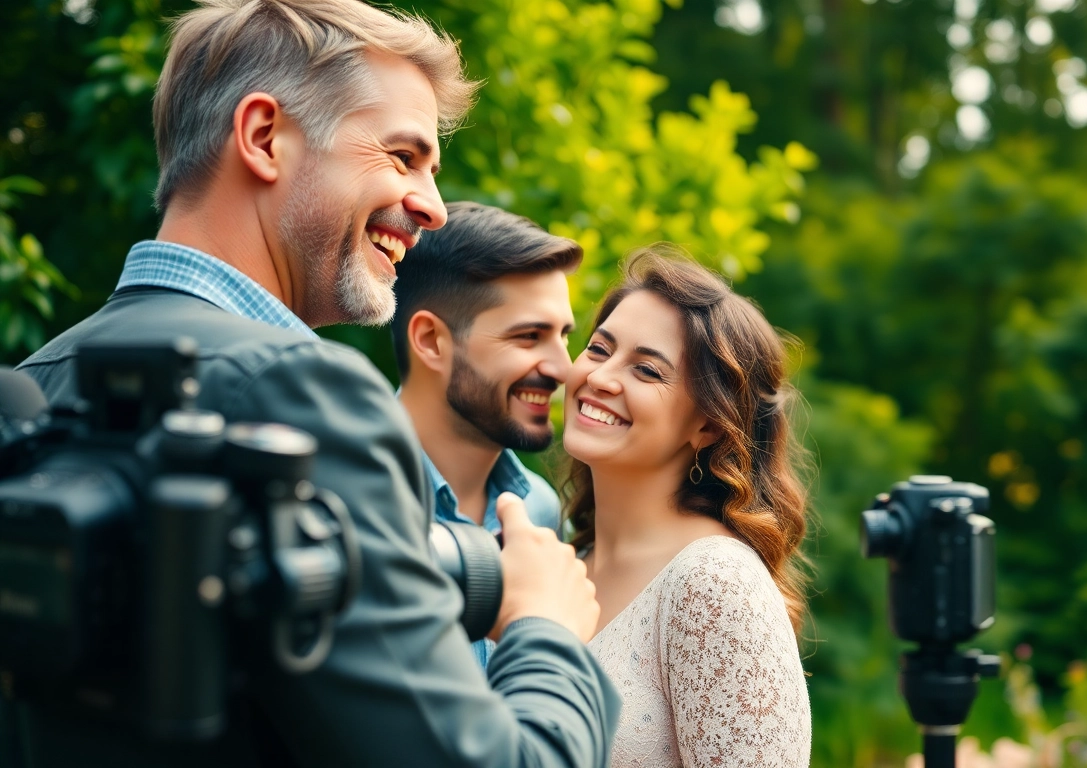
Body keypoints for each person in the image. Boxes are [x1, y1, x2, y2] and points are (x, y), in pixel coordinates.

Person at [10, 0, 619, 765]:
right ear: (265, 138)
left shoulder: (39, 385)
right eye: (404, 157)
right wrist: (547, 628)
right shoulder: (301, 399)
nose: (432, 207)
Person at [561, 248, 813, 767]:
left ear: (708, 426)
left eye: (648, 371)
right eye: (598, 348)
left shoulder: (714, 583)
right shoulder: (563, 559)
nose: (602, 378)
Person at [392, 202, 579, 666]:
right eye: (529, 336)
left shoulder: (541, 511)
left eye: (564, 336)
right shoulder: (354, 496)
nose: (564, 368)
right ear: (432, 341)